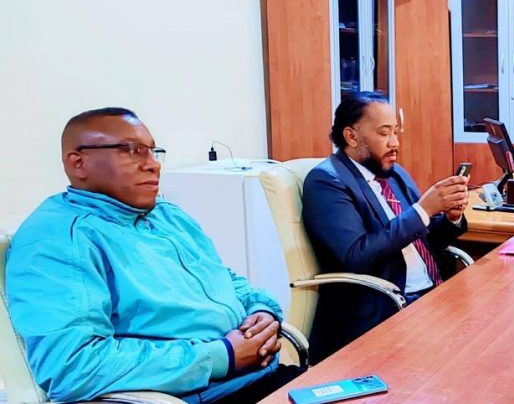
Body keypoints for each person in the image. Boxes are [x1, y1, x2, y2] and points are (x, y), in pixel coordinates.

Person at [5, 108, 299, 403]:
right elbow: (73, 367)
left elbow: (223, 279)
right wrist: (223, 356)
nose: (153, 164)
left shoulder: (166, 215)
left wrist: (261, 311)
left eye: (153, 151)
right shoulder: (58, 240)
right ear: (78, 162)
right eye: (132, 151)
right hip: (208, 396)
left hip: (262, 376)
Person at [302, 91, 470, 363]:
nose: (395, 143)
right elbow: (355, 255)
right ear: (352, 136)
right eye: (384, 133)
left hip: (433, 295)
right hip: (385, 308)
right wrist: (423, 210)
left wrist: (450, 217)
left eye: (395, 132)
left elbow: (424, 240)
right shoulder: (326, 181)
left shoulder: (393, 173)